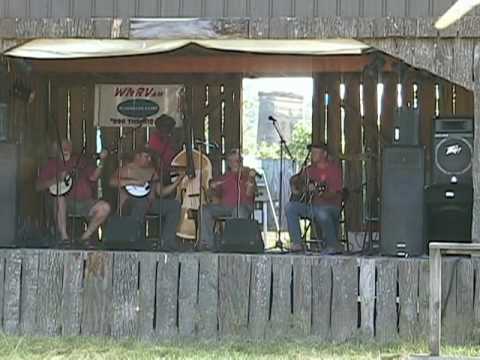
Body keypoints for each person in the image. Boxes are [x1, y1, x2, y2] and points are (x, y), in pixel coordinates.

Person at [36, 139, 111, 242]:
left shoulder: (81, 161)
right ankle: (64, 238)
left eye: (68, 146)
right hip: (63, 204)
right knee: (60, 198)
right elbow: (38, 186)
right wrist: (56, 179)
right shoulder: (51, 164)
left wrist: (102, 161)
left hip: (85, 202)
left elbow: (93, 177)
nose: (66, 149)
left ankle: (84, 238)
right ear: (57, 149)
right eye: (63, 147)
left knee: (105, 207)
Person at [109, 147, 183, 251]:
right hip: (129, 203)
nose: (149, 159)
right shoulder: (126, 169)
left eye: (150, 157)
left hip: (150, 203)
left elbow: (161, 192)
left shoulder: (152, 171)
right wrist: (134, 182)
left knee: (174, 206)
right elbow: (112, 182)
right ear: (137, 156)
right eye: (146, 156)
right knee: (141, 203)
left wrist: (177, 181)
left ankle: (167, 242)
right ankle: (133, 239)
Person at [286, 143, 343, 253]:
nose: (312, 154)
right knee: (290, 207)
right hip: (313, 207)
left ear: (324, 154)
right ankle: (297, 243)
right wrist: (298, 188)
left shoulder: (334, 170)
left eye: (316, 152)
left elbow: (334, 193)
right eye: (312, 152)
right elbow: (295, 180)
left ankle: (332, 245)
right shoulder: (309, 170)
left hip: (331, 207)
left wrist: (318, 192)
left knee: (322, 213)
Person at [198, 148, 257, 251]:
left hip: (243, 206)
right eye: (232, 160)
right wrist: (212, 188)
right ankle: (207, 243)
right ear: (229, 162)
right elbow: (213, 196)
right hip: (225, 207)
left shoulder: (247, 173)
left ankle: (235, 244)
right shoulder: (224, 177)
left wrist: (251, 180)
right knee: (204, 209)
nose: (235, 162)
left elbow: (249, 194)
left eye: (237, 160)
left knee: (238, 211)